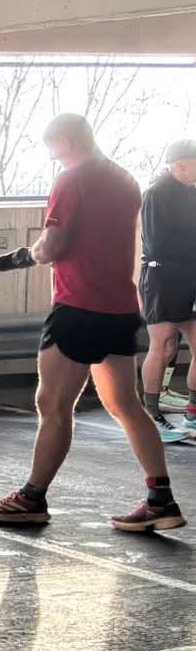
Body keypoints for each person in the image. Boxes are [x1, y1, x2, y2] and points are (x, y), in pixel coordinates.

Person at [0, 113, 182, 531]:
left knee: (51, 405)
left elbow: (52, 245)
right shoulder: (124, 179)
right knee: (124, 405)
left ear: (66, 141)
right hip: (120, 307)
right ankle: (160, 500)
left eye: (52, 147)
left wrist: (22, 256)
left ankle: (31, 498)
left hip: (77, 307)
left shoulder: (71, 180)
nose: (52, 157)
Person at [139, 138, 196, 439]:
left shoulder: (191, 192)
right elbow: (157, 244)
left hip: (189, 276)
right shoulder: (156, 194)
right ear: (181, 165)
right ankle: (152, 419)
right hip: (162, 277)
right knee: (164, 345)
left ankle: (192, 414)